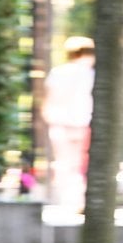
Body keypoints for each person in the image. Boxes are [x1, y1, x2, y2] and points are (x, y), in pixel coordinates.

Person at [42, 36, 95, 211]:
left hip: (60, 123)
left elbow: (49, 101)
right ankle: (80, 200)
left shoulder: (58, 73)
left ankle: (67, 201)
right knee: (81, 164)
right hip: (83, 123)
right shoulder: (90, 73)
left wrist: (51, 119)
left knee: (65, 162)